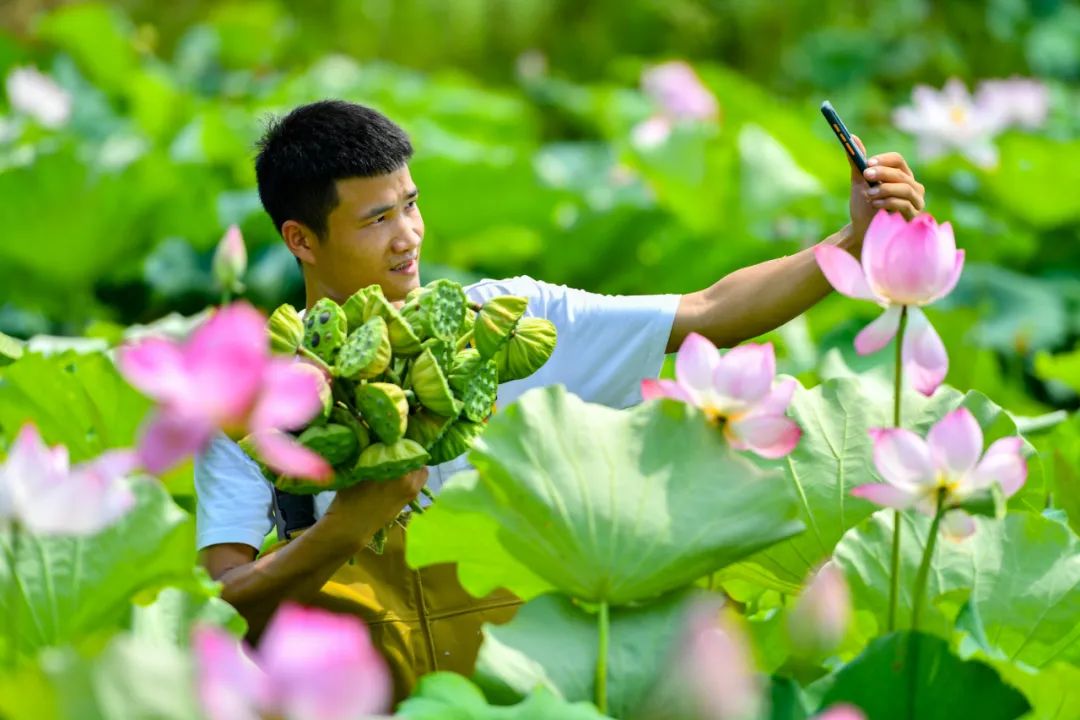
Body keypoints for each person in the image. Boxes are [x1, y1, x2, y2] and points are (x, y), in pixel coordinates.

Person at [196, 99, 925, 697]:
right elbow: (224, 610)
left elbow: (709, 312)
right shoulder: (248, 395)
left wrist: (852, 241)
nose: (408, 238)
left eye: (410, 206)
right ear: (301, 239)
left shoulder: (510, 323)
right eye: (376, 219)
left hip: (538, 702)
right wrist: (347, 529)